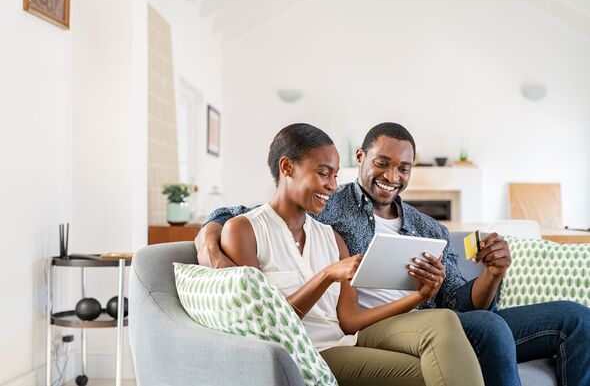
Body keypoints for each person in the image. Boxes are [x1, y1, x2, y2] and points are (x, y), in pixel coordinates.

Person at [197, 122, 590, 386]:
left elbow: (458, 302)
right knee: (486, 328)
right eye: (382, 163)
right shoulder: (334, 206)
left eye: (404, 168)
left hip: (429, 320)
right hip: (371, 332)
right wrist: (209, 236)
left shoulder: (427, 228)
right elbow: (252, 212)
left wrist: (492, 273)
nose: (392, 176)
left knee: (574, 318)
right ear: (361, 160)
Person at [217, 123, 484, 386]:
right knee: (435, 370)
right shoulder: (243, 231)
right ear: (287, 167)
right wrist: (326, 275)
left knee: (445, 323)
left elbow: (349, 321)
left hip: (346, 341)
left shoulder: (331, 238)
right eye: (323, 173)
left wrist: (420, 295)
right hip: (308, 354)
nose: (332, 186)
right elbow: (264, 325)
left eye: (335, 175)